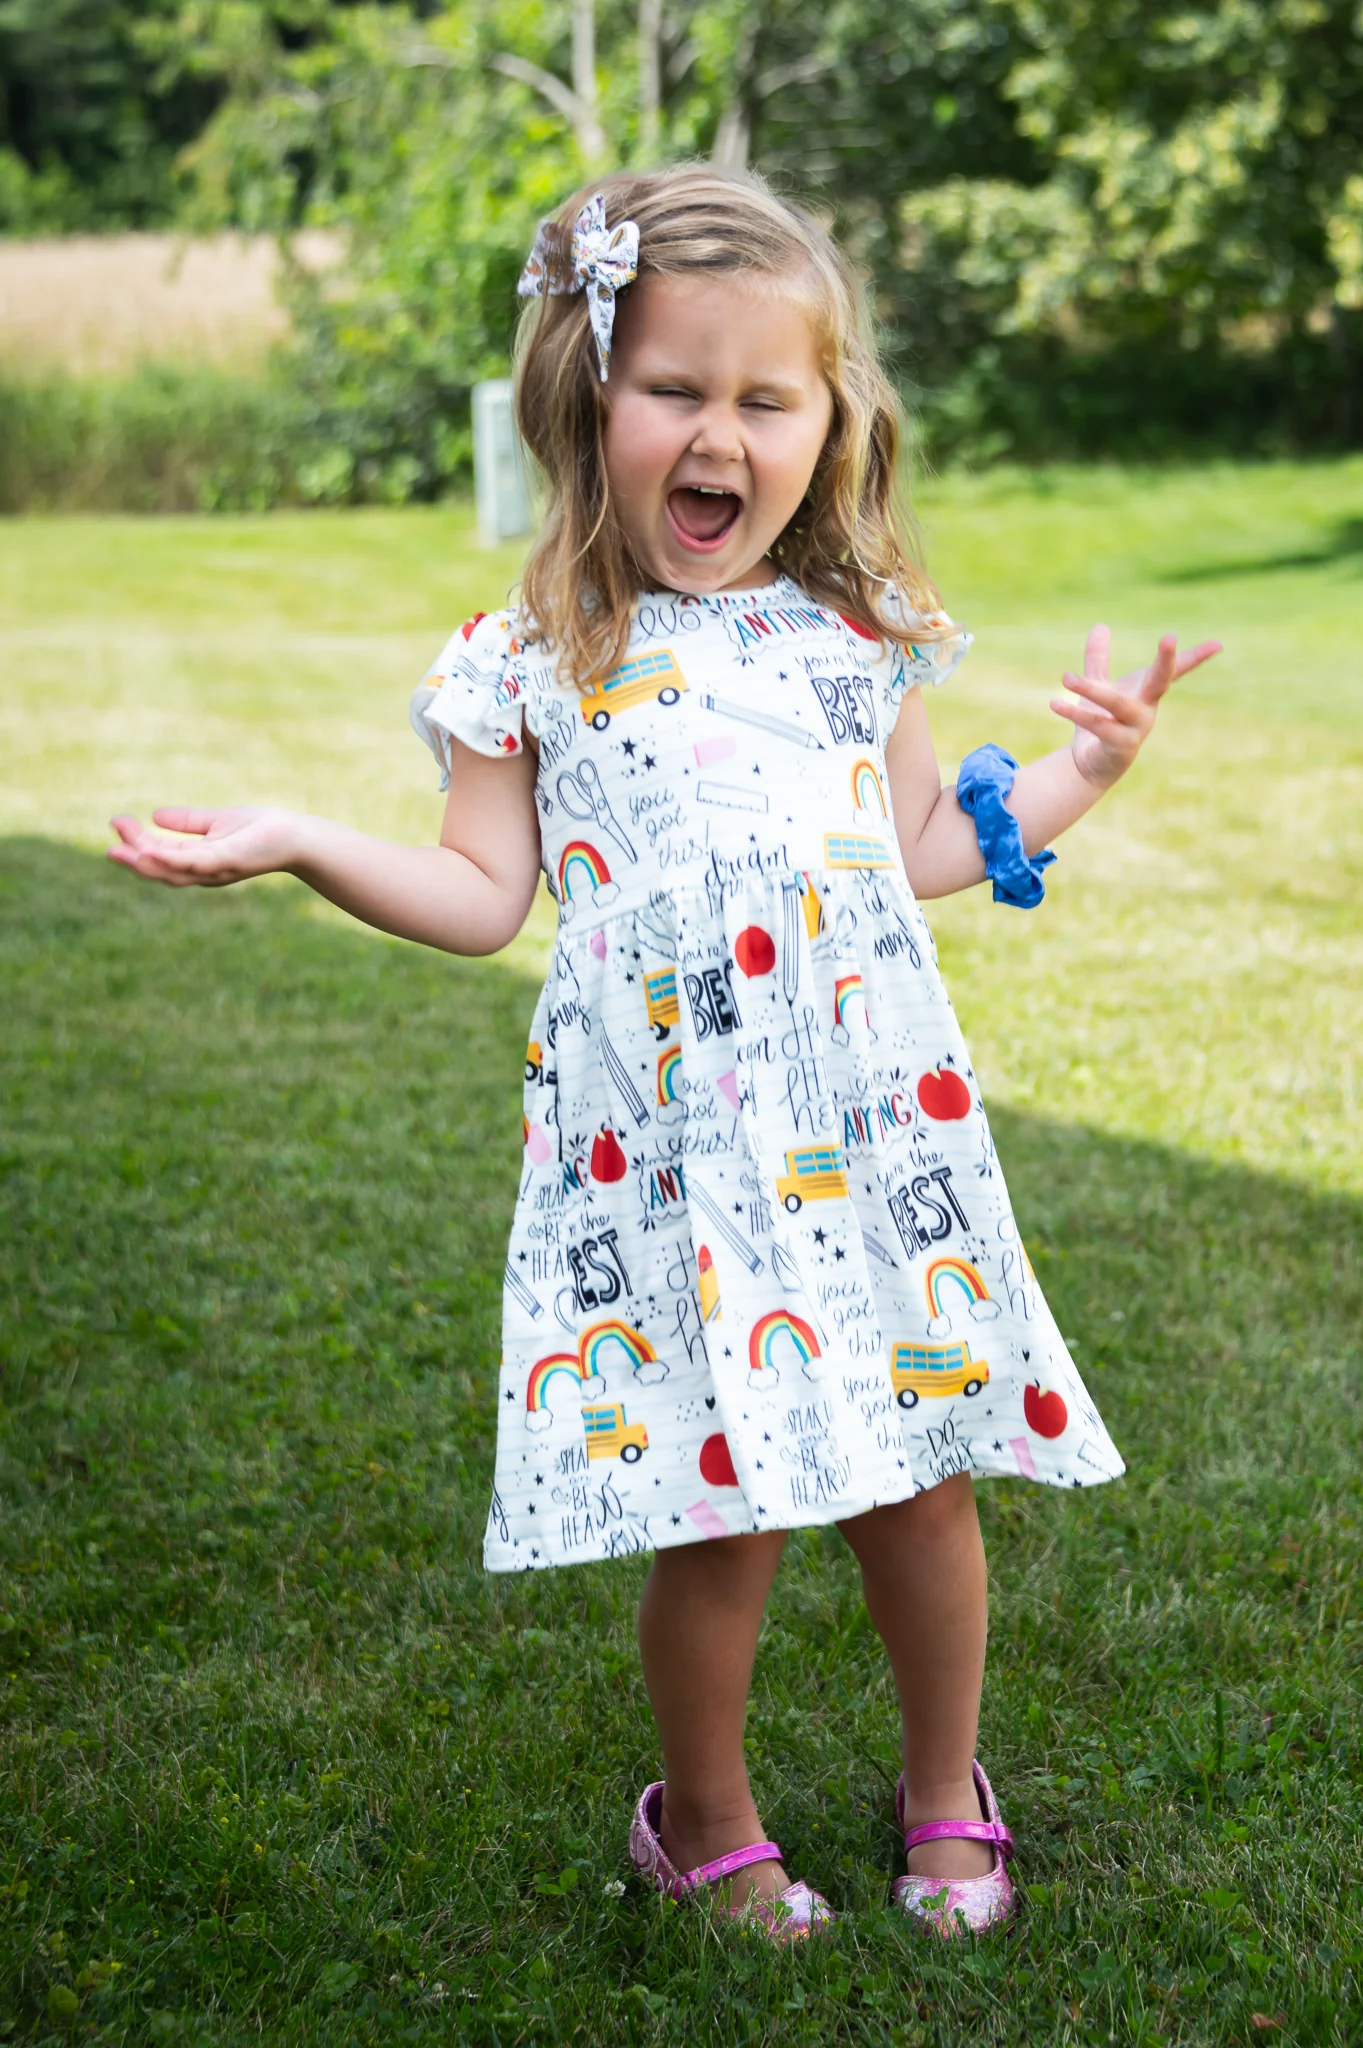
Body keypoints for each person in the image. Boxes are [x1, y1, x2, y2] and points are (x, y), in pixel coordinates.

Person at [108, 165, 1220, 1942]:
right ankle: (701, 1815)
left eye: (763, 400)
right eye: (674, 390)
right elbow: (483, 894)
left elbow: (927, 844)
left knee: (922, 1493)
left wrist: (1085, 772)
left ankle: (947, 1788)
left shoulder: (860, 634)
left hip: (868, 1135)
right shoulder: (532, 659)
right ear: (587, 397)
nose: (719, 434)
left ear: (825, 424)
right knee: (721, 1518)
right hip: (671, 1166)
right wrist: (303, 840)